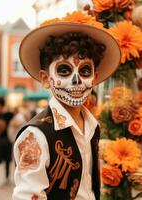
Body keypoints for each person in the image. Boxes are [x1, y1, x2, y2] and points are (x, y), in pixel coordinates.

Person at [12, 14, 120, 200]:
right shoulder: (35, 136)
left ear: (94, 78)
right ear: (46, 79)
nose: (76, 80)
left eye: (85, 70)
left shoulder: (93, 126)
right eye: (64, 70)